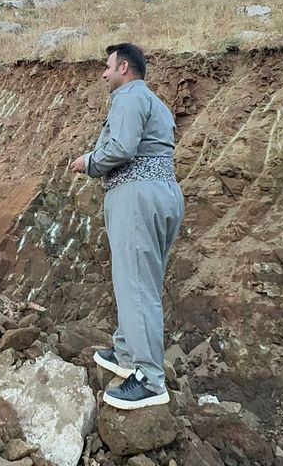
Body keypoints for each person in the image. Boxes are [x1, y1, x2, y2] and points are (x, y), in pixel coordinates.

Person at [71, 42, 184, 410]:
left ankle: (149, 379)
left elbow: (121, 147)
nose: (104, 74)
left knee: (135, 285)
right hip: (163, 192)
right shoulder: (156, 103)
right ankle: (125, 353)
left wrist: (89, 161)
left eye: (108, 67)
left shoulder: (128, 96)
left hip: (137, 196)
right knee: (141, 281)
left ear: (123, 67)